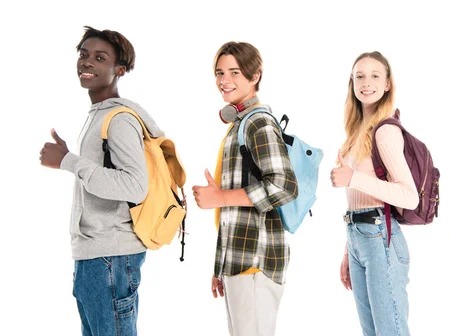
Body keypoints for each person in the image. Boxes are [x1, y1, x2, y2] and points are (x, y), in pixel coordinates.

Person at [39, 26, 163, 336]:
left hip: (111, 257)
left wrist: (67, 160)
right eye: (83, 55)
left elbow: (135, 186)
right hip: (95, 255)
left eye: (99, 57)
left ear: (119, 70)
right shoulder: (98, 115)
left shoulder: (118, 120)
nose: (87, 62)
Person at [192, 41, 298, 336]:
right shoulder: (239, 123)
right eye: (219, 72)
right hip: (239, 262)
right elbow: (232, 212)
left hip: (256, 261)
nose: (224, 81)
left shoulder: (258, 122)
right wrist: (221, 265)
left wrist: (219, 197)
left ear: (255, 76)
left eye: (235, 72)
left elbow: (284, 186)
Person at [330, 51, 419, 336]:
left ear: (388, 84)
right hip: (359, 236)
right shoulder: (355, 134)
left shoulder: (385, 132)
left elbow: (409, 196)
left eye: (375, 75)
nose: (366, 82)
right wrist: (349, 250)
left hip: (381, 237)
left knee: (390, 331)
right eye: (360, 76)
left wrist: (353, 177)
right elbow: (357, 200)